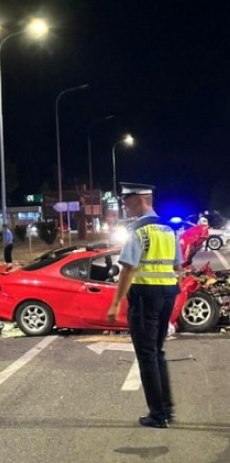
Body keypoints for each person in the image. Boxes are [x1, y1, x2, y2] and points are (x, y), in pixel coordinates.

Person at [107, 183, 181, 429]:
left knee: (147, 355)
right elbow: (178, 267)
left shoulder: (138, 229)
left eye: (127, 200)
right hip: (168, 294)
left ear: (140, 199)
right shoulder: (170, 229)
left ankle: (158, 415)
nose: (124, 205)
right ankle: (166, 409)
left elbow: (128, 268)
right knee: (157, 351)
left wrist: (116, 303)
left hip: (145, 296)